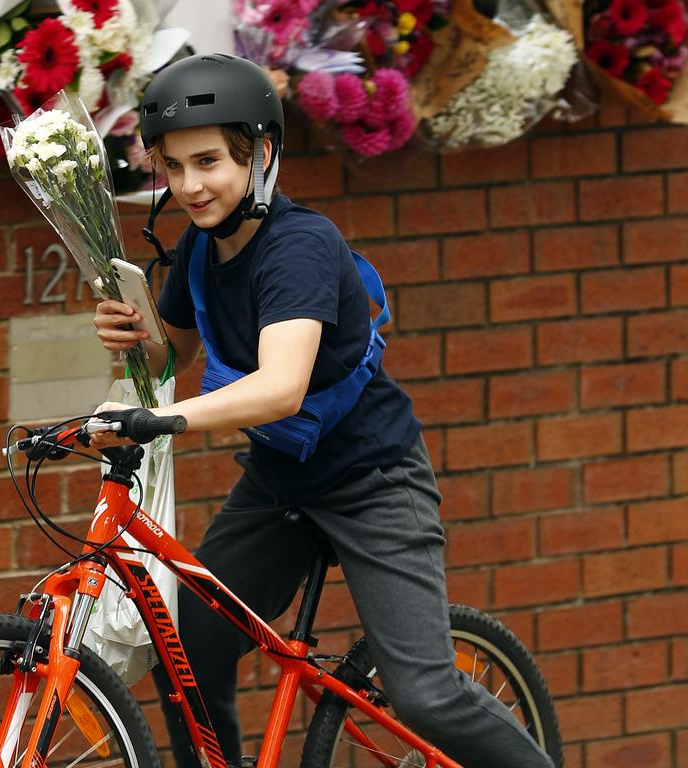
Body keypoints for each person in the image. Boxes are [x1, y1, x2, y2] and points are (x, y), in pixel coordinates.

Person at [91, 53, 554, 768]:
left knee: (426, 694)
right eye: (173, 166)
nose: (189, 185)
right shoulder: (196, 251)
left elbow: (282, 387)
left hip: (373, 481)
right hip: (282, 481)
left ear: (262, 153)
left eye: (208, 161)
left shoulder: (299, 246)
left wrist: (168, 422)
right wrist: (131, 336)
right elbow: (166, 362)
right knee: (187, 648)